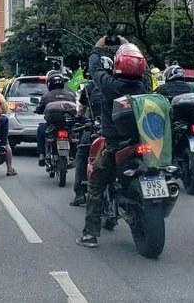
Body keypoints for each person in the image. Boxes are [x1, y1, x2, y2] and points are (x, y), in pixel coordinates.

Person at [77, 36, 150, 249]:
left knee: (96, 184)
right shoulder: (143, 85)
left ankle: (90, 234)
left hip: (114, 145)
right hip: (142, 142)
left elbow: (94, 68)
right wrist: (127, 45)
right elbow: (144, 70)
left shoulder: (109, 85)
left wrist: (97, 48)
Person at [34, 71, 76, 167]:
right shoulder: (71, 95)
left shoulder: (46, 95)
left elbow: (40, 108)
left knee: (40, 130)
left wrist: (38, 111)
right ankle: (73, 155)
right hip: (68, 125)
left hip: (53, 125)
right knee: (74, 137)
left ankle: (41, 155)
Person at [71, 80, 102, 207]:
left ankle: (79, 193)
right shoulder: (126, 85)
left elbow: (82, 109)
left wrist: (79, 119)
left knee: (83, 152)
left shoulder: (91, 87)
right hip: (123, 132)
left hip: (98, 128)